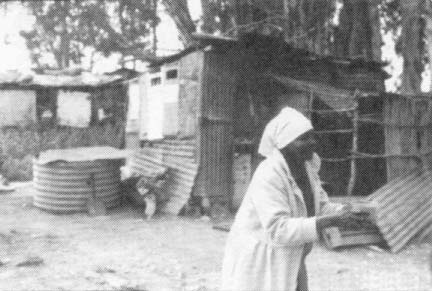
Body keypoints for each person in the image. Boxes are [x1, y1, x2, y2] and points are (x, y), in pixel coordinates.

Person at [221, 107, 365, 291]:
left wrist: (345, 212)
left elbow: (319, 206)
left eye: (312, 136)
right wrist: (328, 221)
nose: (312, 142)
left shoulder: (307, 169)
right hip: (262, 257)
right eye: (303, 139)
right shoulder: (269, 174)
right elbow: (278, 229)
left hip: (291, 254)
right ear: (284, 144)